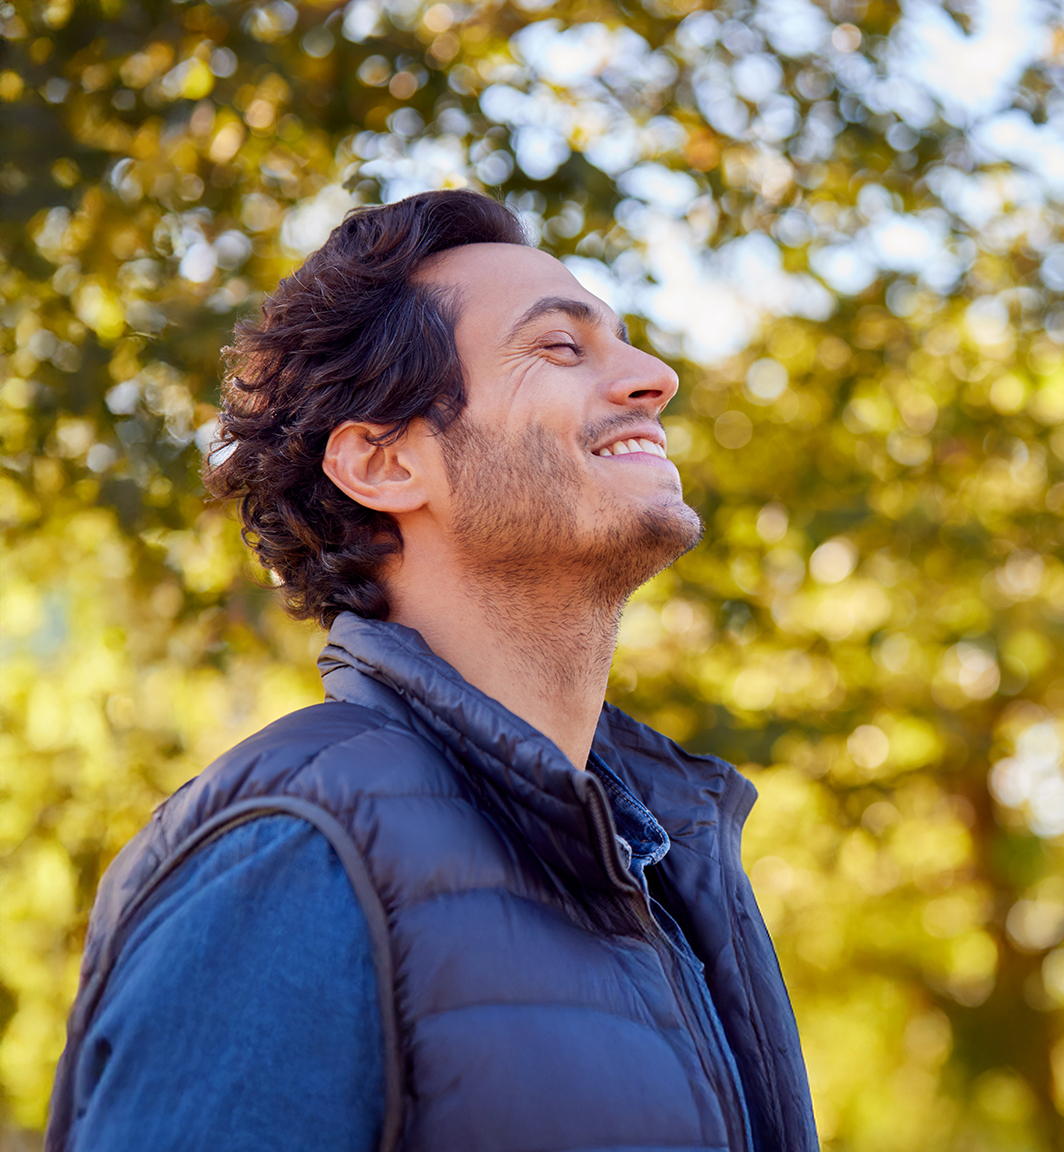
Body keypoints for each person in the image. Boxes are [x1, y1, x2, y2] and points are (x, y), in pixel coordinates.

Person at [47, 190, 818, 1152]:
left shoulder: (668, 862)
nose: (655, 378)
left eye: (624, 342)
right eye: (559, 348)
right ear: (383, 462)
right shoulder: (297, 851)